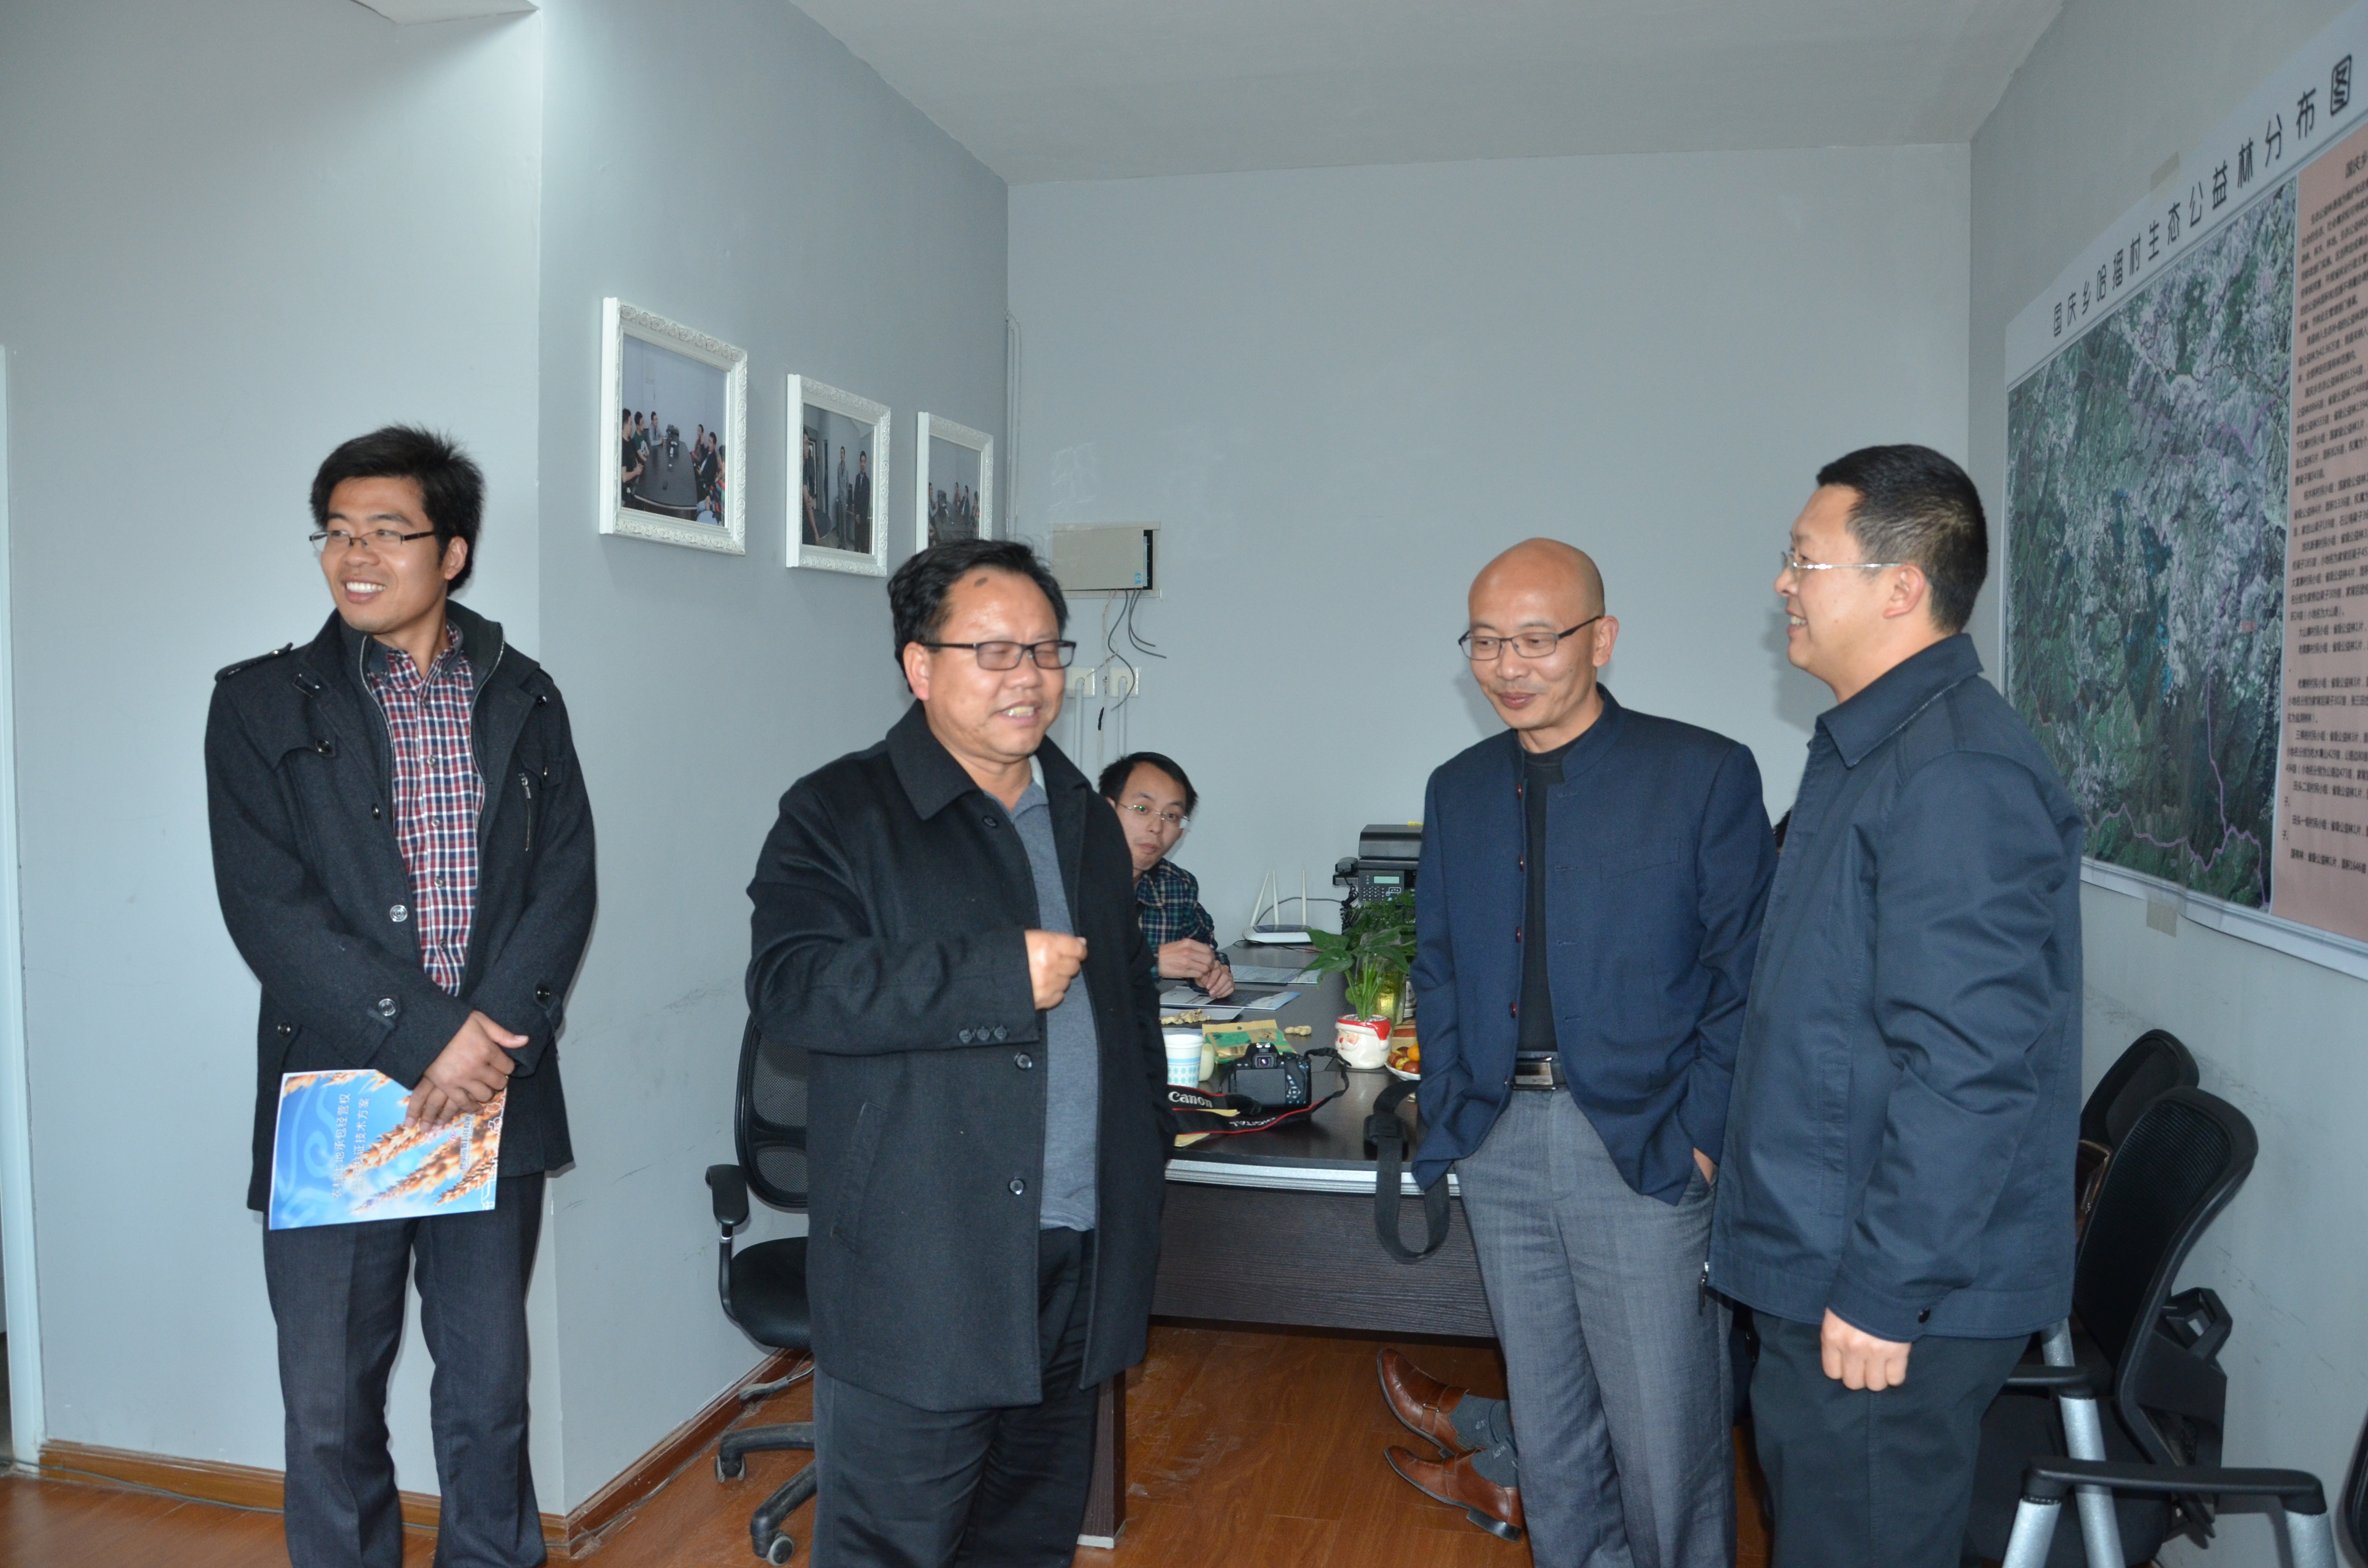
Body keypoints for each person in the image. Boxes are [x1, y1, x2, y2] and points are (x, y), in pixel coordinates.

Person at [206, 426, 596, 1568]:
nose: (355, 555)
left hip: (492, 1094)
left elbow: (566, 880)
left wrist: (490, 1044)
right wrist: (431, 1039)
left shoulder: (525, 696)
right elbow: (269, 912)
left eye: (387, 531)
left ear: (453, 552)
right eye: (336, 532)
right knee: (330, 1407)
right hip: (338, 1091)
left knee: (489, 1395)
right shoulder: (259, 704)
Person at [747, 539, 1170, 1567]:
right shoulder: (838, 810)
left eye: (1045, 649)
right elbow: (792, 986)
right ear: (919, 666)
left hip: (1078, 1252)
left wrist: (1143, 1150)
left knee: (1027, 1540)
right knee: (892, 1546)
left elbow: (1128, 1010)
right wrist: (991, 977)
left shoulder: (1084, 815)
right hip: (924, 1267)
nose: (1028, 675)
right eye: (993, 651)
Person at [1709, 445, 2084, 1568]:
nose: (1782, 583)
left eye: (1804, 560)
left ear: (1901, 586)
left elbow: (1968, 1070)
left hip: (1879, 1292)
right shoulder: (1880, 748)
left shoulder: (1954, 775)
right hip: (1832, 1250)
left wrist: (1885, 1288)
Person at [1385, 538, 1773, 1567]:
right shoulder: (1458, 787)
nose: (1506, 666)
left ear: (1600, 640)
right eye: (1483, 642)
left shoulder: (1701, 773)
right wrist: (1457, 1106)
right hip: (1501, 1141)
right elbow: (1438, 962)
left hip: (1641, 1148)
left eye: (1534, 640)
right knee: (1552, 1444)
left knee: (1665, 1446)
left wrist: (1699, 1140)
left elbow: (1744, 978)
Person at [1097, 751, 1234, 1001]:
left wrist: (1213, 973)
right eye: (1142, 809)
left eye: (1171, 816)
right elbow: (1056, 971)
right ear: (1107, 811)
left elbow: (1205, 950)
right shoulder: (1062, 879)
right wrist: (1152, 962)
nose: (1157, 827)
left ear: (1181, 832)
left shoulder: (1176, 887)